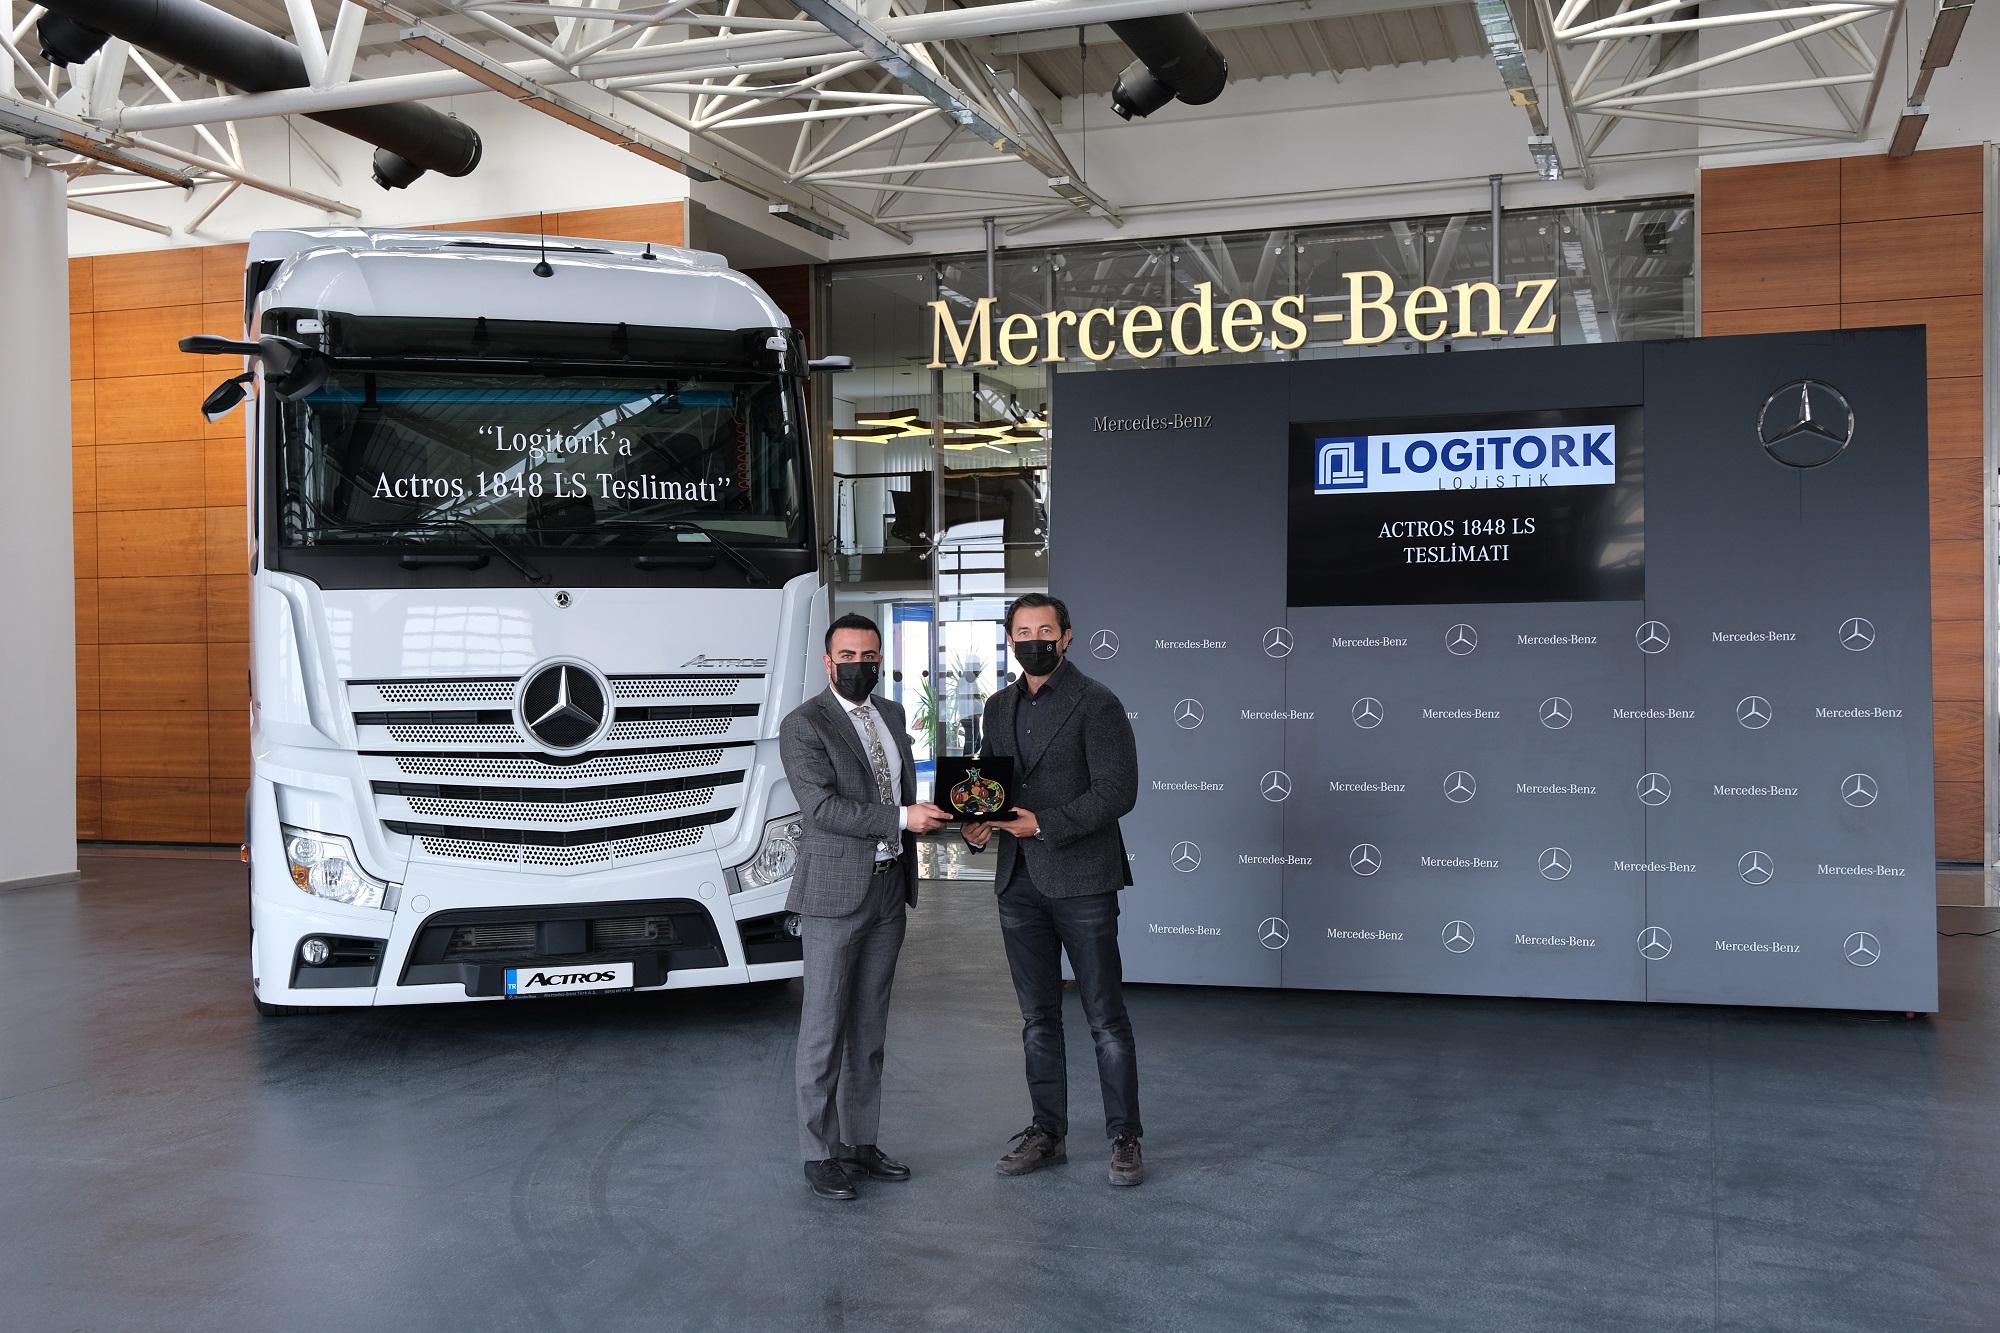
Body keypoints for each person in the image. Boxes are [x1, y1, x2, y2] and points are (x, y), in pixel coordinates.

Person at [963, 593, 1144, 1186]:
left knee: (1105, 1019)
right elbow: (991, 784)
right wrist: (976, 822)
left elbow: (1118, 791)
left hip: (1083, 880)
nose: (1034, 640)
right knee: (1037, 1018)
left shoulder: (1098, 702)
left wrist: (1043, 824)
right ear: (1010, 639)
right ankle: (1048, 1133)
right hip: (1017, 882)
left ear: (1066, 637)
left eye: (1045, 630)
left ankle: (1125, 1138)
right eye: (1023, 631)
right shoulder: (997, 707)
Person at [779, 612, 950, 1201]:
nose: (860, 664)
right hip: (834, 893)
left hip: (887, 888)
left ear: (881, 659)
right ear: (828, 662)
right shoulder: (804, 725)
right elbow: (822, 809)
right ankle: (818, 1153)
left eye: (869, 655)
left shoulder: (892, 715)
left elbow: (897, 789)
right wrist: (902, 818)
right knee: (823, 1029)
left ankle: (859, 1142)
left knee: (870, 1027)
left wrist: (931, 816)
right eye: (848, 656)